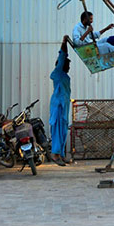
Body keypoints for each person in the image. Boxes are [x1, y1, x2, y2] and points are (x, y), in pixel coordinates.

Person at [49, 35, 73, 165]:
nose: (68, 67)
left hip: (64, 106)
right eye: (67, 65)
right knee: (57, 129)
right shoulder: (58, 72)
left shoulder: (65, 76)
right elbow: (62, 55)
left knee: (63, 130)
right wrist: (64, 43)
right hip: (58, 106)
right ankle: (55, 155)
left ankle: (62, 154)